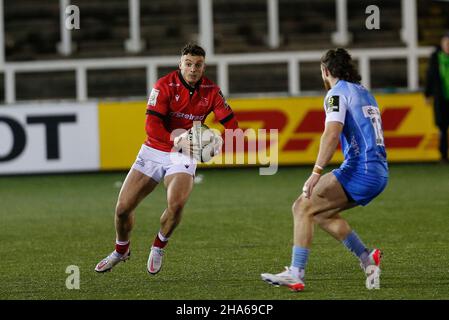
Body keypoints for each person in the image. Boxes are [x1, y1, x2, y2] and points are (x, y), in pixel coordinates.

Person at [95, 43, 239, 275]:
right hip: (154, 149)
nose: (193, 69)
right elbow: (151, 126)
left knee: (177, 203)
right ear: (180, 64)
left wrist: (219, 140)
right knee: (122, 209)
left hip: (183, 154)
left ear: (204, 67)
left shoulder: (211, 90)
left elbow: (231, 124)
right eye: (188, 64)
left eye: (198, 65)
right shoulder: (164, 86)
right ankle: (121, 250)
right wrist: (176, 140)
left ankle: (159, 245)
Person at [261, 48, 388, 291]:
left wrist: (316, 172)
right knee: (320, 213)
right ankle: (366, 258)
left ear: (325, 71)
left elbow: (331, 133)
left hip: (361, 170)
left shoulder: (336, 94)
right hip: (378, 171)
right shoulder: (364, 92)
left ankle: (296, 273)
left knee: (302, 206)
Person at [425, 31, 449, 163]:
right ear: (442, 44)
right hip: (441, 99)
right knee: (443, 129)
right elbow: (430, 77)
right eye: (446, 43)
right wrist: (427, 94)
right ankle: (443, 156)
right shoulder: (435, 58)